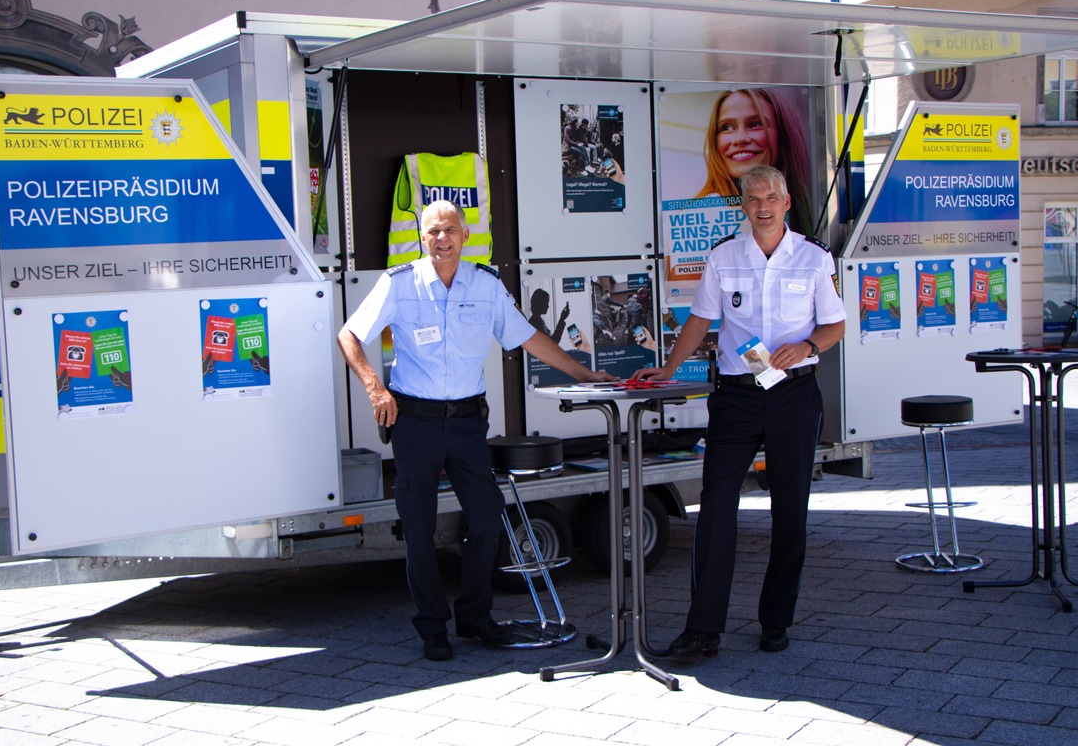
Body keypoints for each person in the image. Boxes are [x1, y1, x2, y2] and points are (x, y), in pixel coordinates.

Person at [338, 199, 616, 661]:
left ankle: (475, 617)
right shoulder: (399, 284)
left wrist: (583, 375)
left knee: (486, 520)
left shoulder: (485, 285)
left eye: (449, 230)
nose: (441, 239)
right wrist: (374, 388)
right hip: (415, 423)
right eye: (431, 232)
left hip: (467, 424)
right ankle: (432, 627)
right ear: (421, 238)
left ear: (465, 235)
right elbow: (351, 334)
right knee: (419, 527)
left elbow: (527, 337)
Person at [633, 165, 846, 659]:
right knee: (716, 508)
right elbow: (701, 319)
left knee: (790, 510)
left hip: (794, 394)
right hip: (737, 395)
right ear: (743, 206)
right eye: (753, 199)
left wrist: (809, 343)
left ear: (786, 202)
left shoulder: (813, 259)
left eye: (771, 197)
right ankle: (704, 627)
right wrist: (668, 367)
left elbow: (835, 325)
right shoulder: (724, 258)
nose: (763, 206)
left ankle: (776, 621)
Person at [696, 89, 815, 237]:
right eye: (727, 127)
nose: (740, 139)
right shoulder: (705, 211)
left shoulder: (812, 209)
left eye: (755, 124)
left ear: (783, 133)